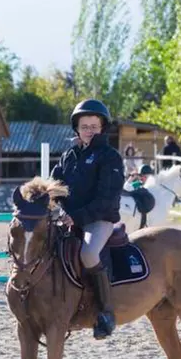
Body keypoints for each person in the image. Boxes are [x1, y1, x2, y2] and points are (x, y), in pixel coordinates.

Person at [51, 98, 124, 340]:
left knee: (89, 253)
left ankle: (106, 312)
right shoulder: (69, 155)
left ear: (102, 127)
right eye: (84, 126)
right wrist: (52, 205)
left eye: (94, 126)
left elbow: (106, 199)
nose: (89, 130)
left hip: (98, 219)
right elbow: (55, 185)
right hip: (68, 219)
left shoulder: (110, 157)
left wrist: (76, 217)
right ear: (77, 129)